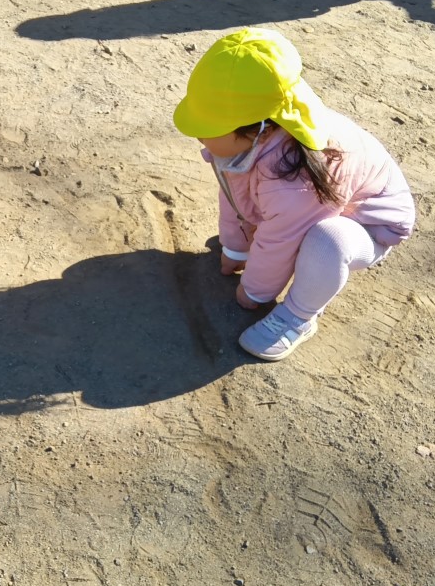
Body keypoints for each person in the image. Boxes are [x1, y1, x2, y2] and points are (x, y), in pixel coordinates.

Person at [172, 29, 416, 362]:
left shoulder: (298, 178)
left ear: (258, 128)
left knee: (326, 241)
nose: (198, 133)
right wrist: (235, 247)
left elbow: (281, 240)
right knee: (272, 207)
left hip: (368, 224)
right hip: (306, 206)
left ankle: (298, 317)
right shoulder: (263, 129)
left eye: (209, 126)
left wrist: (255, 292)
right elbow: (234, 195)